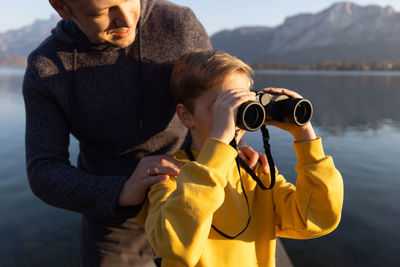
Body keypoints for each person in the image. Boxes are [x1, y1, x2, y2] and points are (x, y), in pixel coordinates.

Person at [23, 1, 268, 266]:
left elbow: (214, 96)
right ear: (62, 7)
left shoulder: (178, 24)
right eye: (102, 12)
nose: (127, 20)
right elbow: (43, 170)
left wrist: (231, 145)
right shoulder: (45, 67)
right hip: (117, 221)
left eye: (130, 0)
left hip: (197, 196)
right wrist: (120, 191)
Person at [136, 50, 344, 267]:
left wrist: (304, 137)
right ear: (186, 115)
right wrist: (218, 144)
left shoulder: (256, 173)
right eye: (221, 109)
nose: (233, 118)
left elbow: (316, 219)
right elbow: (175, 245)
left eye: (241, 105)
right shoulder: (169, 175)